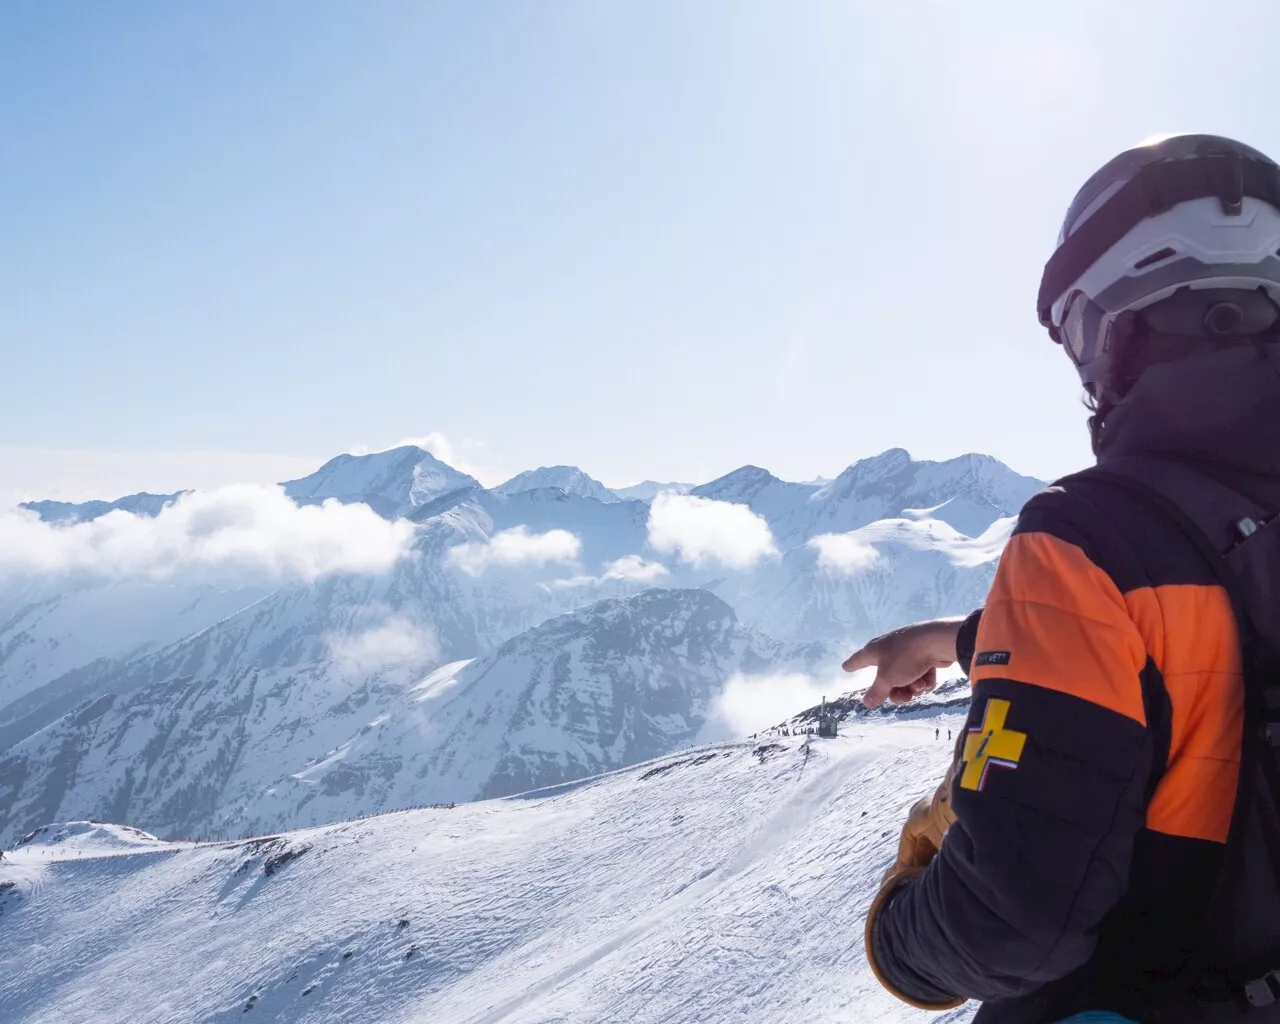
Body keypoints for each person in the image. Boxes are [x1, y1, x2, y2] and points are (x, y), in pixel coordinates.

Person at [845, 135, 1280, 1023]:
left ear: (1109, 324)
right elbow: (1213, 638)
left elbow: (1009, 926)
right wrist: (952, 639)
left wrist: (897, 928)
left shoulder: (1084, 539)